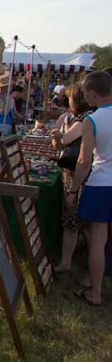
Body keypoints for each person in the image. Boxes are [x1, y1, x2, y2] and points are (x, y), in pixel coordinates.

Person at [67, 70, 112, 306]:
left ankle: (95, 292)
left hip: (101, 183)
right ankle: (93, 281)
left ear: (94, 95)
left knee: (97, 240)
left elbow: (84, 160)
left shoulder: (92, 120)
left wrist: (73, 190)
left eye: (86, 93)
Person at [51, 84, 94, 274]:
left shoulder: (84, 119)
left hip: (78, 175)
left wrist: (60, 132)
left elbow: (65, 140)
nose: (68, 102)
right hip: (78, 174)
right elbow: (59, 144)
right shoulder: (85, 118)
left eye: (70, 98)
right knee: (78, 223)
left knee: (74, 221)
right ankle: (74, 260)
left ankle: (71, 262)